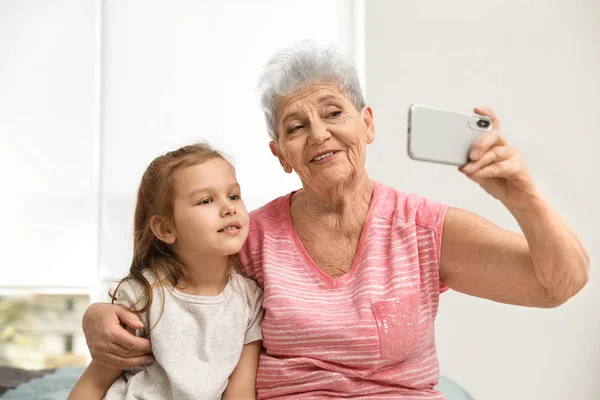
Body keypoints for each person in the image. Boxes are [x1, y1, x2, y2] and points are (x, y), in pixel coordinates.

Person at [79, 43, 589, 399]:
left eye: (334, 113)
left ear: (367, 124)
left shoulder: (423, 229)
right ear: (282, 155)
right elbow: (166, 282)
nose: (319, 134)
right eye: (297, 127)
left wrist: (521, 194)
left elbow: (557, 284)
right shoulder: (247, 234)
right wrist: (97, 317)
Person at [68, 143, 264, 400]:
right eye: (206, 200)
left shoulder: (250, 299)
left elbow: (240, 392)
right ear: (165, 229)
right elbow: (95, 383)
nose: (229, 208)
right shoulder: (143, 295)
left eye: (234, 196)